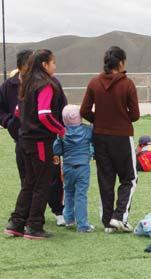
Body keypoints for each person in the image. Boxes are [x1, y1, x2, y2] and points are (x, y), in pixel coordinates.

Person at [4, 49, 66, 239]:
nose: (55, 66)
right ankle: (34, 226)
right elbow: (45, 114)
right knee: (42, 183)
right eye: (53, 62)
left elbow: (16, 112)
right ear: (44, 65)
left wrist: (24, 127)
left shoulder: (26, 84)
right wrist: (60, 130)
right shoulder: (45, 85)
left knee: (29, 182)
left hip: (23, 140)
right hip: (39, 141)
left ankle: (16, 223)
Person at [80, 46, 140, 233]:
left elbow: (84, 111)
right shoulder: (127, 84)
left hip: (100, 137)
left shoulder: (94, 83)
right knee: (130, 178)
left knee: (106, 179)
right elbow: (135, 114)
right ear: (121, 62)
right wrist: (121, 119)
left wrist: (98, 121)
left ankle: (108, 222)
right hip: (122, 137)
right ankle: (119, 216)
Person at [53, 105, 94, 233]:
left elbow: (57, 150)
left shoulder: (62, 133)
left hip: (68, 167)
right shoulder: (87, 130)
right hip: (82, 167)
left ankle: (69, 219)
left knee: (69, 192)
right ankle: (83, 225)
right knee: (81, 195)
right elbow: (94, 141)